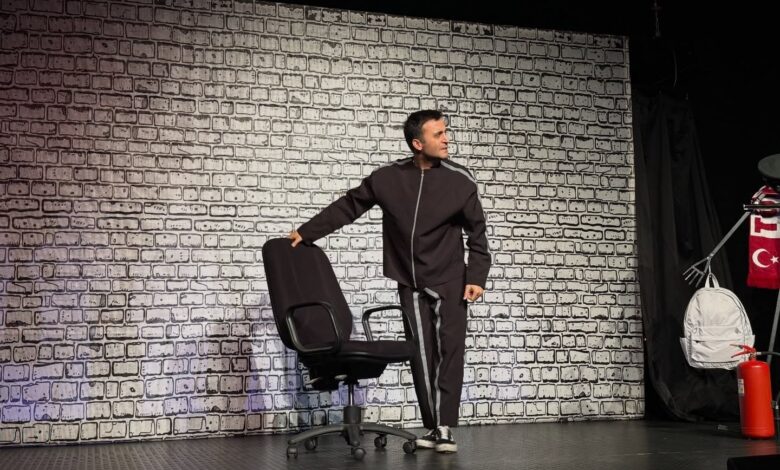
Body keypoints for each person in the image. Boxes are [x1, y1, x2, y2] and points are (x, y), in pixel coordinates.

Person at [288, 109, 491, 453]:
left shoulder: (461, 180)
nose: (447, 139)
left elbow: (478, 233)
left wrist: (477, 276)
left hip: (450, 278)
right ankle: (434, 427)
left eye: (446, 132)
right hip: (409, 280)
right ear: (417, 143)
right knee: (422, 355)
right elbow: (349, 206)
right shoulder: (387, 178)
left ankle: (444, 426)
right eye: (438, 134)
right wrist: (307, 232)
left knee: (449, 352)